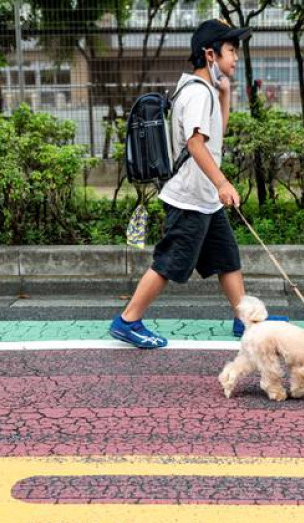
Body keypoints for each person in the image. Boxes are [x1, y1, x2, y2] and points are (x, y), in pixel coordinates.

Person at [109, 19, 258, 349]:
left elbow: (215, 133)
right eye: (231, 50)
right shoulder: (196, 93)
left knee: (227, 258)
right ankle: (127, 320)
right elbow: (195, 143)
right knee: (169, 263)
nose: (236, 57)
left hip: (205, 199)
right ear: (210, 55)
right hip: (189, 199)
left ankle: (245, 320)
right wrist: (223, 182)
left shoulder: (204, 91)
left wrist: (225, 94)